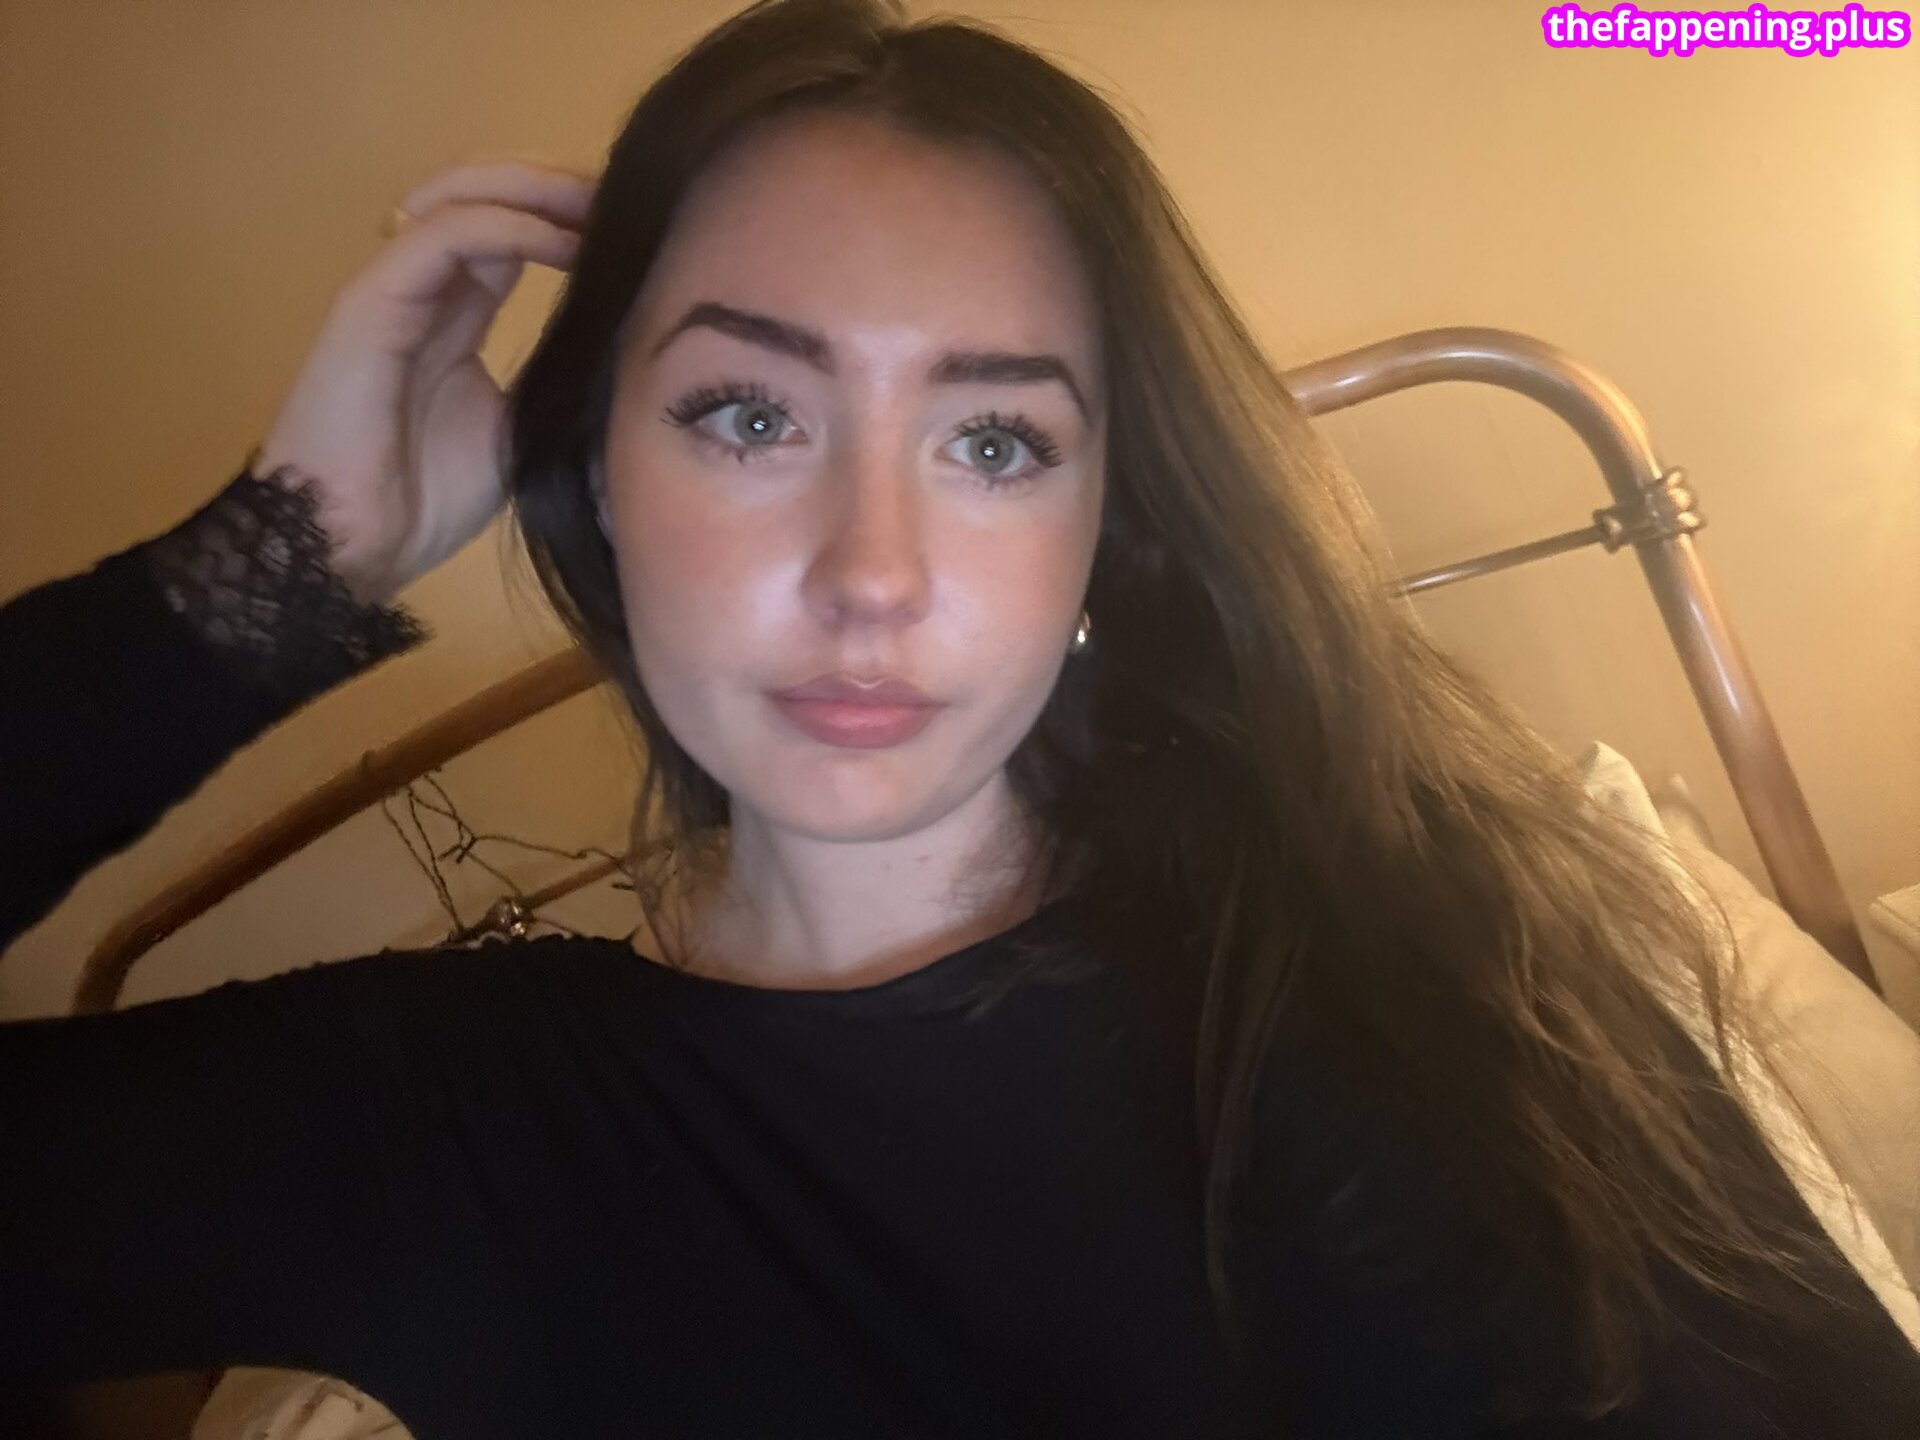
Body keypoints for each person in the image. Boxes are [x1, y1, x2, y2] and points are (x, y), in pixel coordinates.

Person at [3, 0, 1917, 1435]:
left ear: (1106, 528)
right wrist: (270, 566)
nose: (875, 570)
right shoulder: (430, 1124)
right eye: (751, 416)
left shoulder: (1419, 959)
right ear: (594, 473)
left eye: (995, 442)